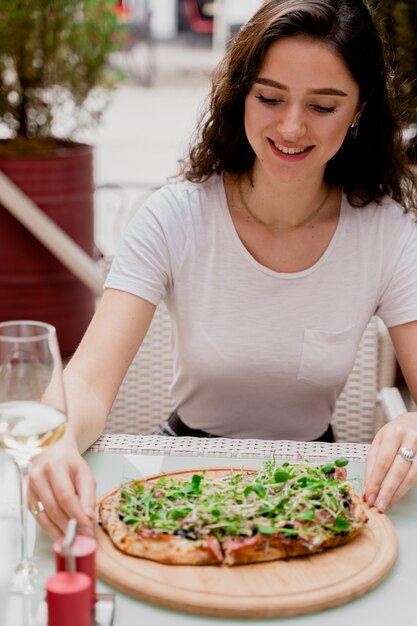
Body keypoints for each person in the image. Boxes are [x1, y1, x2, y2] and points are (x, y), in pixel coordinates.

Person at [30, 0, 417, 539]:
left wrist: (413, 425)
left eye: (323, 107)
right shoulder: (175, 215)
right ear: (241, 97)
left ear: (360, 110)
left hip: (313, 487)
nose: (290, 126)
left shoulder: (389, 234)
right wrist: (55, 441)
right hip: (179, 469)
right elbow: (88, 381)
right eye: (269, 98)